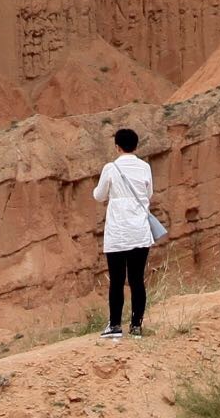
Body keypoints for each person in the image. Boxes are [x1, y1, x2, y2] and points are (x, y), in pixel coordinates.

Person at [90, 126, 155, 340]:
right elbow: (149, 193)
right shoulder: (145, 167)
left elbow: (99, 196)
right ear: (136, 146)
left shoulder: (111, 168)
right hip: (139, 230)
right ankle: (136, 325)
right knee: (137, 279)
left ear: (117, 147)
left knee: (117, 280)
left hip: (118, 232)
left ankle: (115, 325)